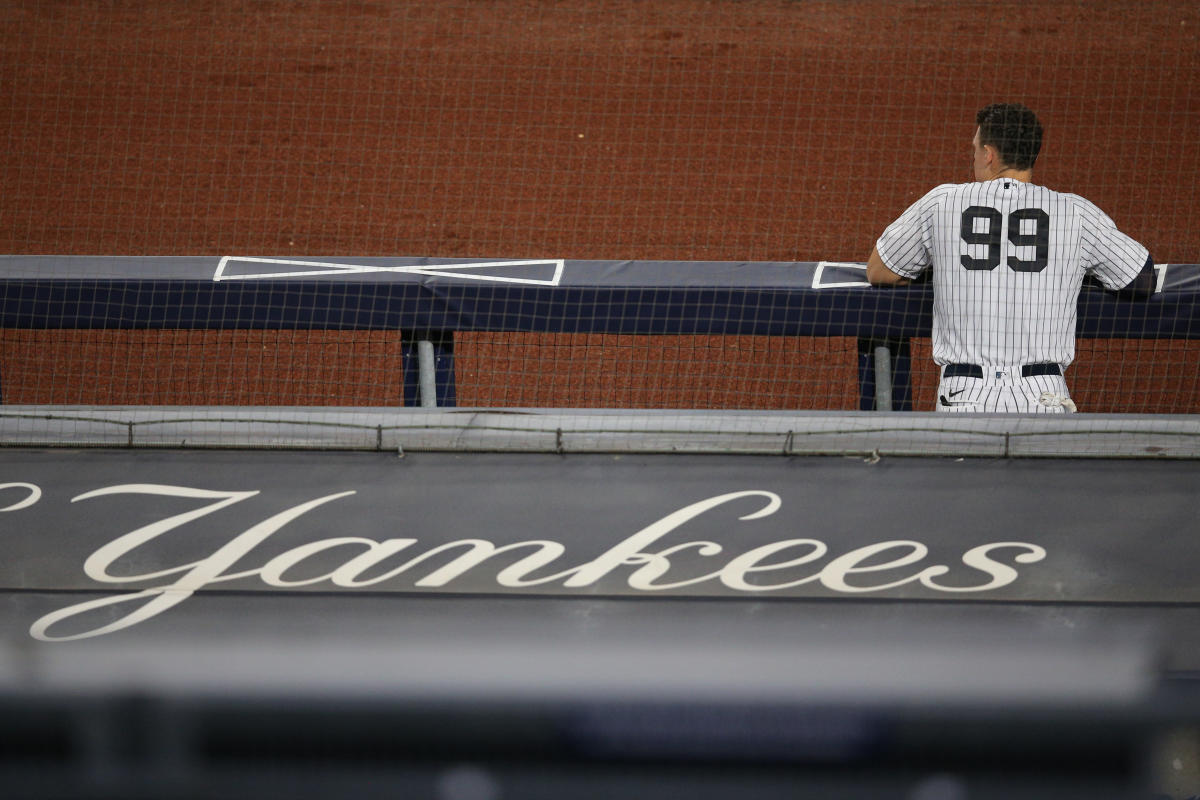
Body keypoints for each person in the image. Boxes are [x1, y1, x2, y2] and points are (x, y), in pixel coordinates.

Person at [866, 103, 1156, 413]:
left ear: (989, 154)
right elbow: (1140, 278)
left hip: (963, 397)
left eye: (975, 149)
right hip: (1044, 396)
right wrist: (1072, 267)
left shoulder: (943, 202)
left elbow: (880, 270)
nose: (974, 156)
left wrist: (940, 266)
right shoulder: (1075, 212)